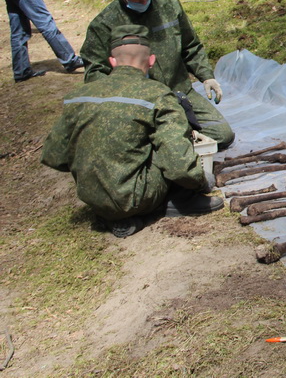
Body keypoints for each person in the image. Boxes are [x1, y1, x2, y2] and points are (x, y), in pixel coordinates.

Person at [41, 25, 223, 238]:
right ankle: (174, 202)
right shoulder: (158, 95)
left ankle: (117, 215)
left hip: (91, 196)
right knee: (171, 147)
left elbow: (54, 156)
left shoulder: (79, 94)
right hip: (136, 196)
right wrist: (202, 180)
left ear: (112, 62)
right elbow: (178, 165)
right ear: (152, 61)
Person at [79, 0, 234, 149]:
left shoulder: (169, 5)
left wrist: (206, 76)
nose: (144, 0)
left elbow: (190, 45)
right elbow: (95, 73)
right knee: (135, 146)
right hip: (138, 103)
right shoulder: (104, 24)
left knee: (222, 134)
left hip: (179, 92)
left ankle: (176, 139)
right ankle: (171, 143)